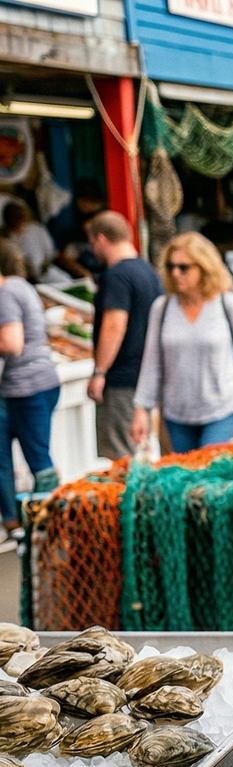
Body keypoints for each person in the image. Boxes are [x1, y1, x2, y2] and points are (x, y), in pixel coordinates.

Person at [131, 232, 233, 454]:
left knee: (211, 471)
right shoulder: (162, 309)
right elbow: (152, 362)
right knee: (185, 478)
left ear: (204, 268)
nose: (176, 273)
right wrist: (142, 408)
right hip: (177, 412)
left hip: (224, 408)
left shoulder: (228, 305)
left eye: (184, 267)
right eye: (171, 267)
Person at [85, 211, 162, 461]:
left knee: (122, 458)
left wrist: (100, 371)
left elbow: (114, 325)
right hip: (147, 375)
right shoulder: (149, 272)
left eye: (92, 243)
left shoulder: (117, 276)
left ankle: (128, 501)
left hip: (122, 379)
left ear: (101, 239)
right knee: (143, 453)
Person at [0, 241, 63, 533]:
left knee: (38, 457)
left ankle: (50, 520)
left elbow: (12, 343)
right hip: (33, 383)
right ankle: (18, 518)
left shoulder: (7, 292)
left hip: (27, 387)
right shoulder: (23, 286)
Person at [2, 202, 55, 279]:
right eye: (14, 216)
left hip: (44, 272)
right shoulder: (5, 239)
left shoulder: (36, 229)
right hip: (18, 277)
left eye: (19, 216)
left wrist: (45, 266)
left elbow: (49, 252)